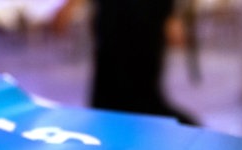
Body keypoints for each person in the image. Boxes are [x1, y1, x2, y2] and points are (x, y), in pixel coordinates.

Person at [53, 0, 198, 125]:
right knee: (111, 75)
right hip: (115, 15)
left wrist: (170, 16)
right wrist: (69, 6)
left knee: (142, 82)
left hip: (146, 14)